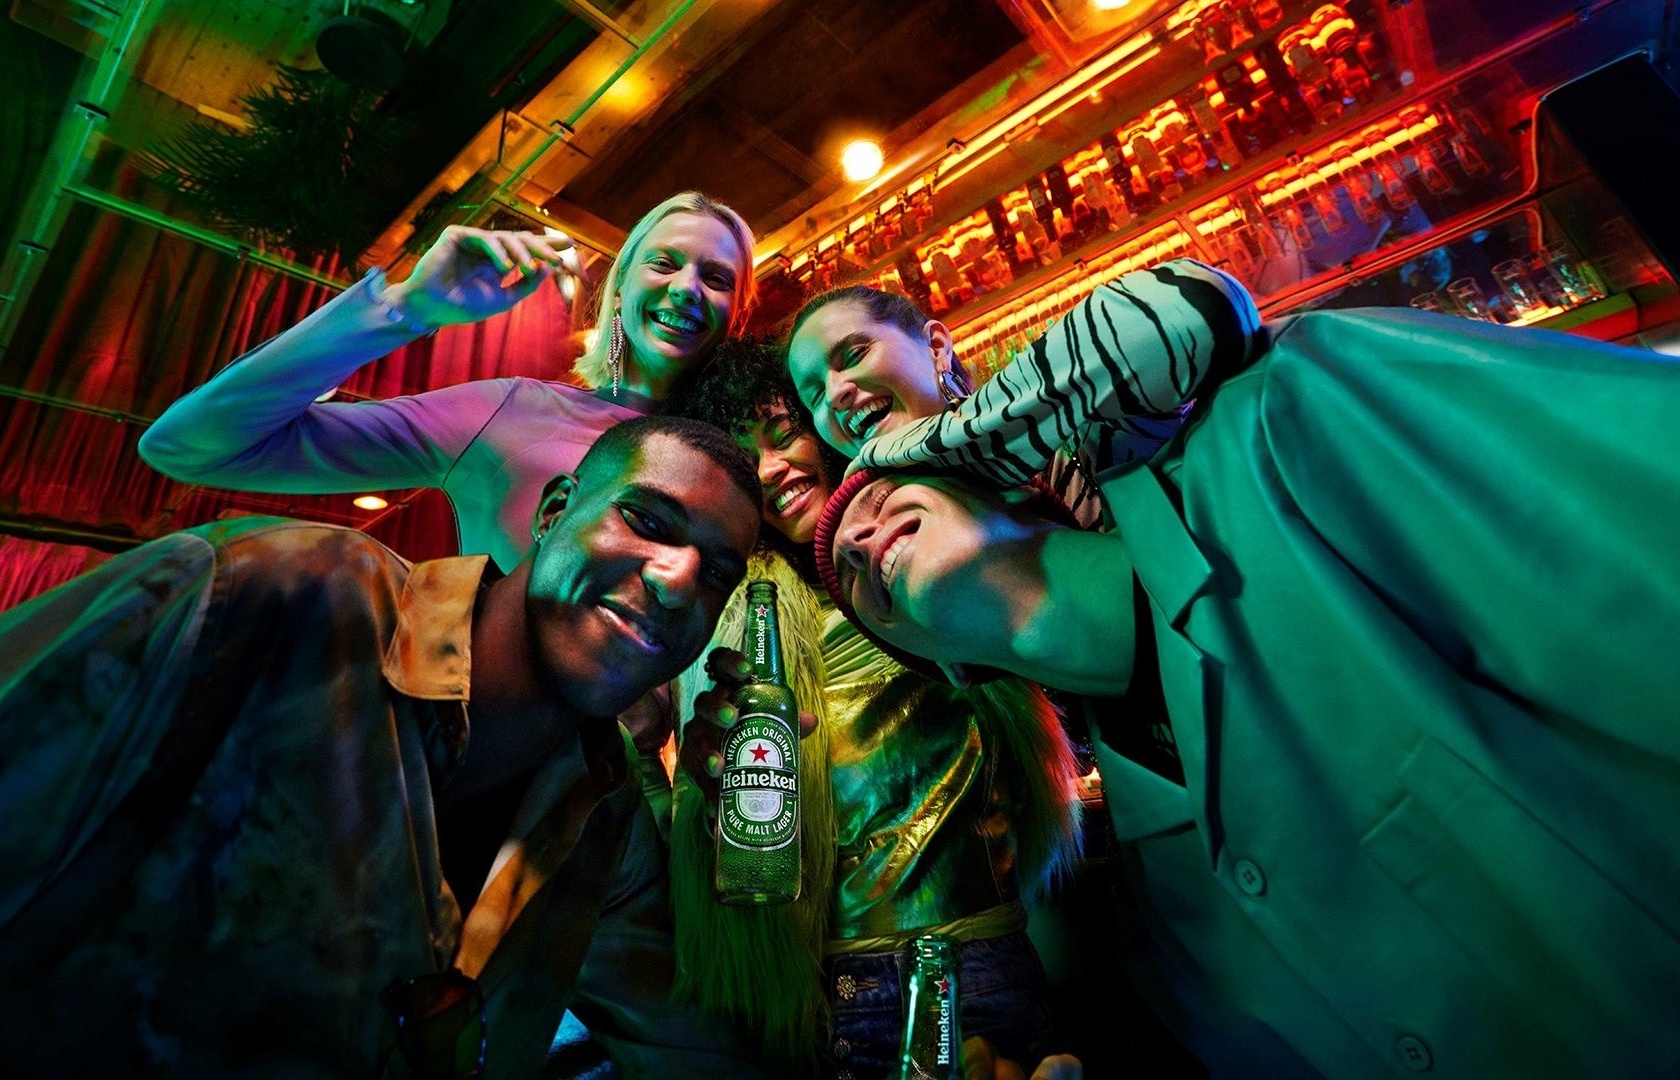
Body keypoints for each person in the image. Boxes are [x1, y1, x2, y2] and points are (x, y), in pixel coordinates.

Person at [804, 261, 1680, 1078]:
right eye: (846, 566)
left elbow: (1185, 310)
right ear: (948, 668)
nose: (861, 532)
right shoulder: (1161, 916)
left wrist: (928, 446)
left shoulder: (1292, 435)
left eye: (875, 497)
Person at [0, 416, 766, 1078]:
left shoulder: (609, 810)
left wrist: (722, 821)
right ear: (554, 510)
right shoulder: (271, 592)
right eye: (648, 521)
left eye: (718, 574)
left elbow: (696, 1048)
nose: (679, 580)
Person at [666, 340, 1086, 1080]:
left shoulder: (925, 553)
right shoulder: (741, 623)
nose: (771, 470)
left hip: (984, 956)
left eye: (783, 433)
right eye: (745, 461)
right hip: (837, 990)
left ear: (826, 431)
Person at [139, 191, 756, 574]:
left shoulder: (758, 458)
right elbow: (193, 445)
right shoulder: (511, 412)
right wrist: (406, 308)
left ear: (738, 313)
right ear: (618, 290)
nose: (686, 289)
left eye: (716, 278)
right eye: (664, 263)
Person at [783, 281, 1183, 527]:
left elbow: (1177, 312)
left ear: (936, 346)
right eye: (815, 396)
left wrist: (956, 440)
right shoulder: (884, 536)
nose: (835, 394)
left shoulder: (1072, 435)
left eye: (854, 355)